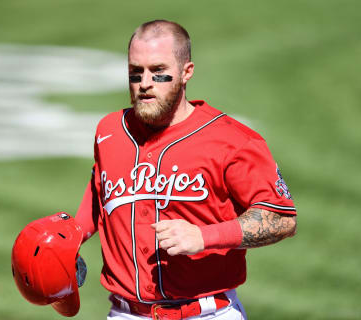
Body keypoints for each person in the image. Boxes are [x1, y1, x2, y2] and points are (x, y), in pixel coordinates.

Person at [74, 19, 297, 320]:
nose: (145, 83)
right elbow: (100, 195)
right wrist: (69, 237)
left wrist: (205, 237)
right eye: (135, 72)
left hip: (206, 314)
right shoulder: (110, 131)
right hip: (124, 314)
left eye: (158, 71)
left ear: (186, 72)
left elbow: (281, 218)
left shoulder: (232, 141)